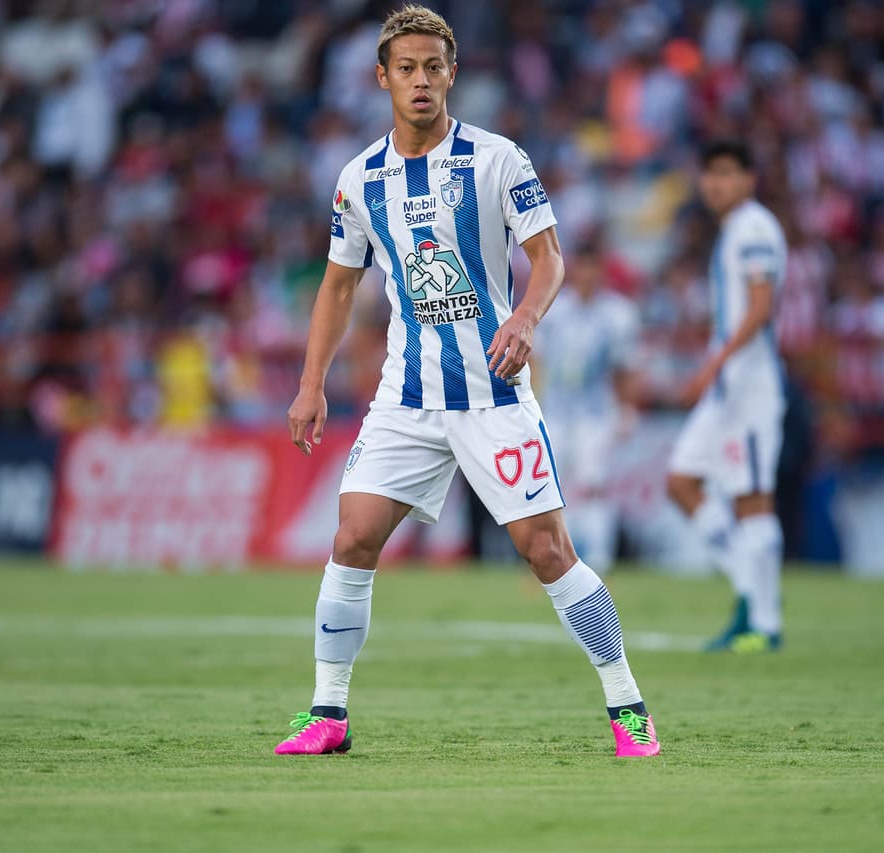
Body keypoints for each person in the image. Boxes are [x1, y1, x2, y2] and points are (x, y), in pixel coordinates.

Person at [277, 5, 659, 759]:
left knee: (548, 552)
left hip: (493, 394)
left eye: (433, 67)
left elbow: (548, 258)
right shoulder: (359, 179)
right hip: (406, 398)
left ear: (452, 74)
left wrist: (524, 318)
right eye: (406, 69)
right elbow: (338, 287)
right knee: (352, 538)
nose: (420, 80)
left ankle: (630, 708)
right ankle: (327, 712)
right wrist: (310, 382)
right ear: (382, 78)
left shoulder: (497, 159)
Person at [666, 140, 788, 653]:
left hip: (750, 386)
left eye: (727, 173)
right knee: (681, 481)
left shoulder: (754, 227)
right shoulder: (735, 229)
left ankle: (765, 622)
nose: (716, 183)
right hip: (727, 388)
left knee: (752, 498)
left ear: (749, 178)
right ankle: (749, 586)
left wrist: (713, 363)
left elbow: (760, 308)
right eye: (709, 173)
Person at [532, 247, 641, 570]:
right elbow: (536, 362)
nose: (587, 277)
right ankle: (554, 556)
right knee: (550, 485)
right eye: (582, 269)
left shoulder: (618, 315)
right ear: (572, 271)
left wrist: (627, 409)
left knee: (593, 483)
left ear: (601, 273)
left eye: (594, 269)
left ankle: (598, 557)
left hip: (595, 412)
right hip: (556, 410)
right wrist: (532, 405)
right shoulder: (553, 309)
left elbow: (625, 368)